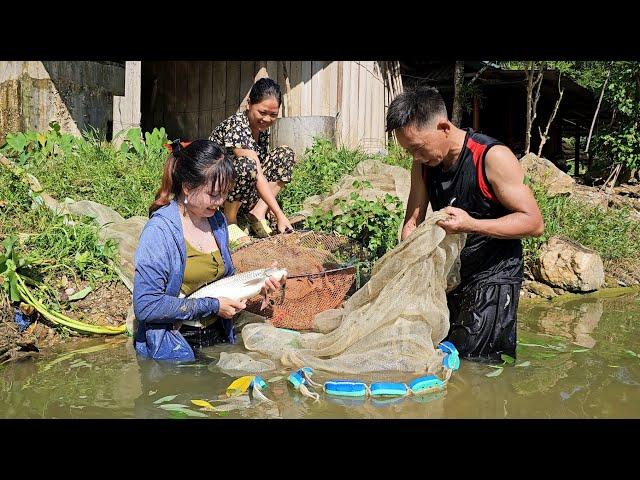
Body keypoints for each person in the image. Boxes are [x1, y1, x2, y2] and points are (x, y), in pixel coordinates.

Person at [385, 86, 544, 363]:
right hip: (453, 271)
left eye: (418, 148)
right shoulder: (423, 163)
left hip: (495, 270)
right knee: (443, 349)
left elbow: (533, 222)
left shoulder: (492, 157)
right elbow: (412, 221)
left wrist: (471, 224)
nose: (415, 157)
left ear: (444, 127)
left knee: (476, 362)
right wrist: (407, 267)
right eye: (409, 151)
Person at [133, 138, 284, 361]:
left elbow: (226, 280)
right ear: (187, 187)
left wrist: (257, 285)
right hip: (176, 343)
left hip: (218, 335)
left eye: (225, 194)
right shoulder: (160, 231)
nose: (220, 201)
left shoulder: (217, 221)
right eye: (213, 194)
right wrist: (213, 306)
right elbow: (146, 306)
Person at [209, 77, 295, 242]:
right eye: (262, 112)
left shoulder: (261, 129)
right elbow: (257, 172)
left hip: (245, 191)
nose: (267, 119)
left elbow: (262, 170)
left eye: (273, 114)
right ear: (249, 104)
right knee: (248, 165)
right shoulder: (236, 126)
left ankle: (257, 213)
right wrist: (279, 214)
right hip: (217, 191)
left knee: (285, 155)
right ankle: (229, 221)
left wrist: (269, 207)